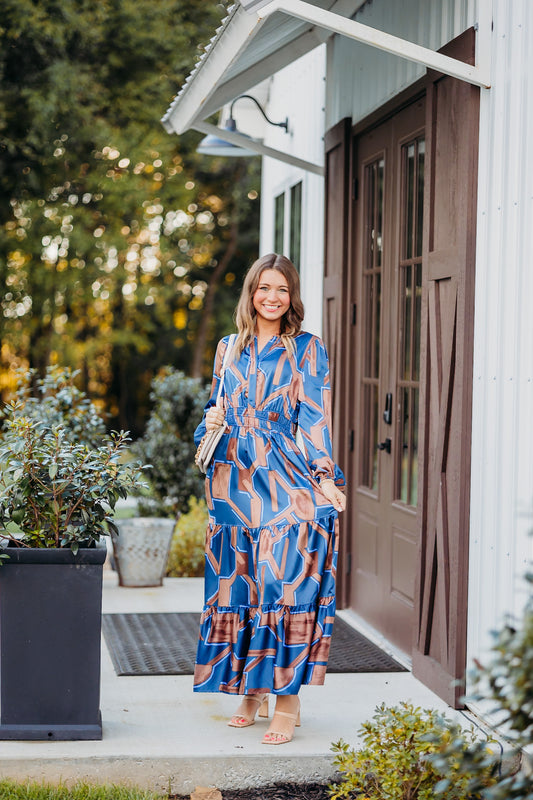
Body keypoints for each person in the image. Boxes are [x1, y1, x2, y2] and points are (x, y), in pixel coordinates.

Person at [193, 253, 346, 745]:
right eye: (263, 288)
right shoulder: (226, 347)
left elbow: (315, 418)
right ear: (251, 294)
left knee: (283, 582)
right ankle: (251, 690)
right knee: (242, 584)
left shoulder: (307, 349)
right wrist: (208, 427)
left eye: (281, 289)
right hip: (231, 479)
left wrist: (323, 475)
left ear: (291, 295)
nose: (272, 297)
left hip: (283, 476)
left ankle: (287, 698)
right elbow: (216, 407)